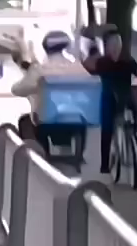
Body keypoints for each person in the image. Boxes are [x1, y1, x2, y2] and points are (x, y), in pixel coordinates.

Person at [11, 30, 91, 159]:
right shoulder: (77, 68)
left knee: (25, 121)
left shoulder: (39, 70)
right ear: (66, 46)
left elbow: (17, 90)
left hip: (46, 125)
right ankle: (78, 156)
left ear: (45, 48)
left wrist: (36, 87)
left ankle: (39, 157)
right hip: (75, 124)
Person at [83, 29, 137, 173]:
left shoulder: (126, 61)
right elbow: (88, 70)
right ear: (107, 46)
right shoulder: (103, 62)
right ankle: (105, 164)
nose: (116, 46)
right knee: (107, 128)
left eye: (118, 43)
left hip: (122, 96)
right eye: (113, 43)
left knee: (134, 109)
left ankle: (134, 134)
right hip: (110, 97)